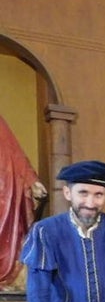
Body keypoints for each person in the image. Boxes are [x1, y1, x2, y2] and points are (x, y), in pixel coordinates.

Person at [20, 160, 105, 302]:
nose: (90, 203)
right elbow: (38, 293)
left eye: (98, 195)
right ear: (67, 193)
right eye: (83, 193)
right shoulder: (45, 231)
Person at [0, 115, 47, 287]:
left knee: (8, 230)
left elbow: (14, 154)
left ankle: (10, 274)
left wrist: (31, 180)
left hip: (3, 193)